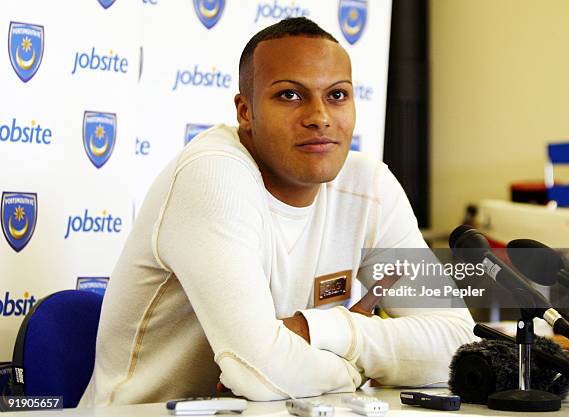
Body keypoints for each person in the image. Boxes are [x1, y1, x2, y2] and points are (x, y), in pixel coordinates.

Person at [79, 17, 476, 407]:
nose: (319, 116)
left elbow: (459, 346)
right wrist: (353, 369)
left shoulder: (368, 186)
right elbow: (259, 372)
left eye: (337, 95)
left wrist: (324, 331)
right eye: (290, 95)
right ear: (245, 111)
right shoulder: (213, 173)